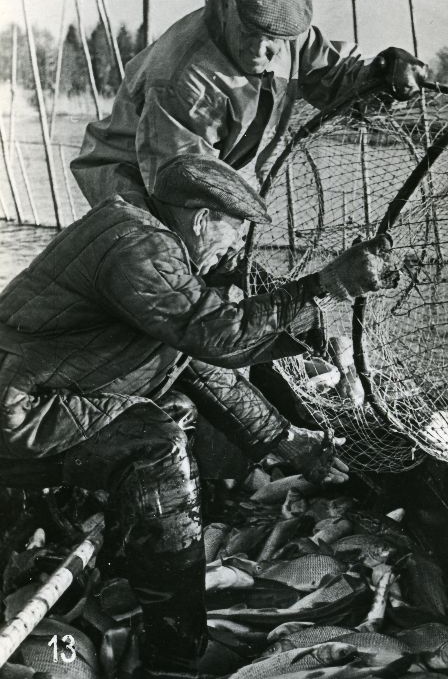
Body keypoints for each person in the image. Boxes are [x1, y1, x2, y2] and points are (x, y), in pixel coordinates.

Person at [0, 155, 398, 678]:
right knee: (154, 444)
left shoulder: (153, 243)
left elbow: (198, 364)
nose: (235, 249)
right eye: (233, 234)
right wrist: (324, 285)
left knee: (174, 412)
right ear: (202, 218)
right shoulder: (136, 243)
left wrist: (281, 440)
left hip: (45, 402)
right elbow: (218, 336)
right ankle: (177, 655)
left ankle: (133, 578)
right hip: (19, 414)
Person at [71, 0, 427, 207]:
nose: (259, 49)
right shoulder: (186, 78)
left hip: (218, 177)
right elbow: (179, 184)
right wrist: (223, 261)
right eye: (249, 31)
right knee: (177, 283)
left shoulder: (291, 36)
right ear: (228, 6)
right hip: (136, 185)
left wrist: (379, 75)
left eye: (274, 40)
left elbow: (336, 80)